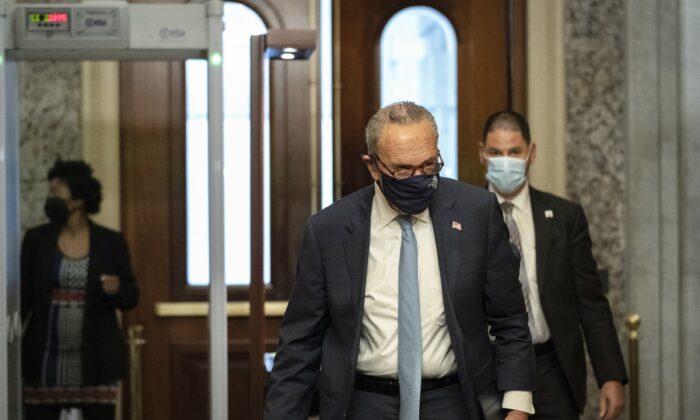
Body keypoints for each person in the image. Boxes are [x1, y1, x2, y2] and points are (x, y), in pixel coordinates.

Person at [265, 101, 535, 420]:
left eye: (429, 165)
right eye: (403, 170)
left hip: (453, 401)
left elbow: (510, 319)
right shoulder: (330, 231)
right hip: (364, 404)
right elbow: (300, 345)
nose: (419, 178)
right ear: (373, 166)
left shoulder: (476, 213)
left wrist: (518, 406)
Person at [479, 110, 628, 420]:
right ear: (482, 154)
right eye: (496, 153)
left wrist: (610, 375)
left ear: (531, 154)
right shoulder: (464, 217)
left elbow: (591, 302)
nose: (505, 161)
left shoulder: (565, 217)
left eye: (514, 152)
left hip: (550, 367)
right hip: (489, 367)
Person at [21, 160, 139, 420]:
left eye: (58, 192)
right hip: (45, 360)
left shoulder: (110, 242)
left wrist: (117, 289)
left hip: (95, 360)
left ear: (79, 198)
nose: (52, 198)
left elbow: (131, 296)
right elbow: (23, 297)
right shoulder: (36, 240)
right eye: (50, 192)